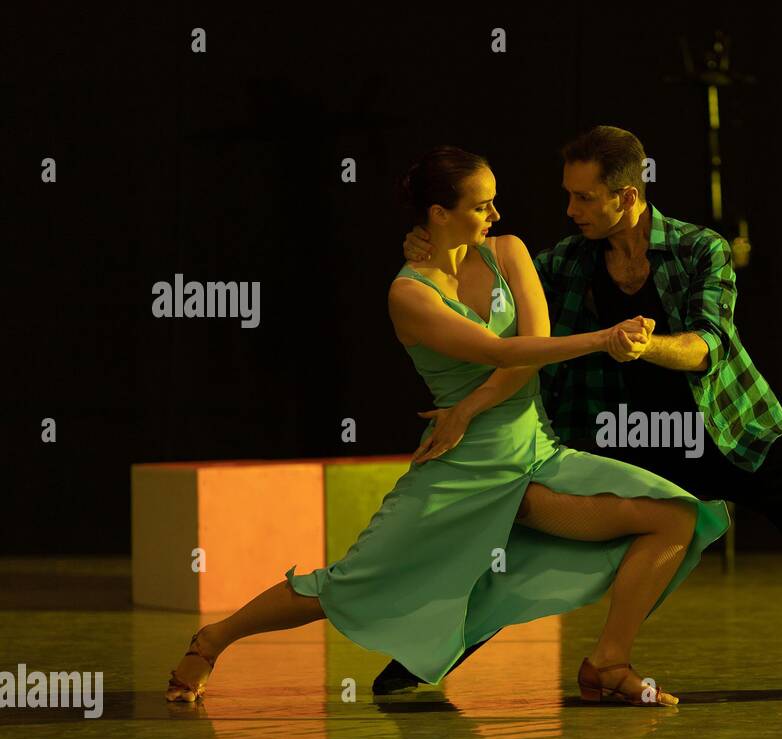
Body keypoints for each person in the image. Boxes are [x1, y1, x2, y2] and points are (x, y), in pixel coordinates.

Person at [165, 145, 730, 708]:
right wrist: (605, 339)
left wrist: (469, 404)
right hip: (460, 465)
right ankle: (213, 640)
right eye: (482, 206)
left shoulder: (507, 253)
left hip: (534, 456)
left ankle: (609, 662)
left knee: (675, 516)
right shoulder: (408, 294)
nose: (496, 215)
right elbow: (500, 352)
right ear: (439, 214)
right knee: (347, 583)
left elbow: (528, 354)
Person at [388, 126, 782, 700]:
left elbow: (708, 346)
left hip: (719, 430)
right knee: (523, 551)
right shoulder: (565, 263)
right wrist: (427, 242)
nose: (569, 209)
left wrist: (640, 345)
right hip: (618, 436)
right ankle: (416, 661)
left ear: (627, 196)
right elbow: (483, 276)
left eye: (584, 198)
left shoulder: (701, 249)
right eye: (568, 195)